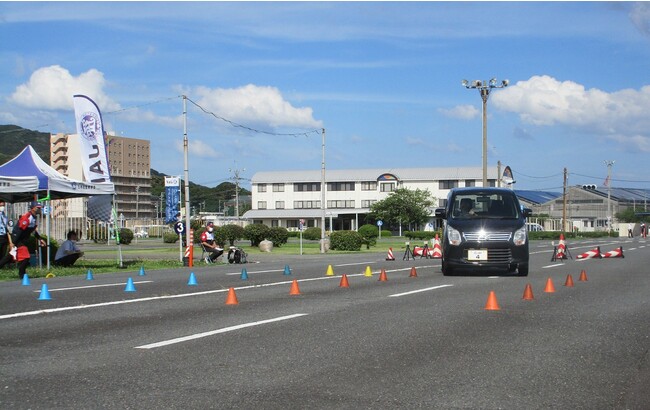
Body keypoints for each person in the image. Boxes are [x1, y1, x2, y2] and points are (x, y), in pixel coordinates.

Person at [0, 201, 46, 279]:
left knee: (9, 257)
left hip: (21, 240)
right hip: (17, 239)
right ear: (32, 208)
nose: (39, 209)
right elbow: (19, 230)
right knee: (26, 257)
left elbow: (32, 230)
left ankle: (22, 274)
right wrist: (13, 243)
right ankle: (22, 275)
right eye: (37, 208)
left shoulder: (34, 218)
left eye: (40, 208)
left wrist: (40, 239)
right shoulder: (27, 217)